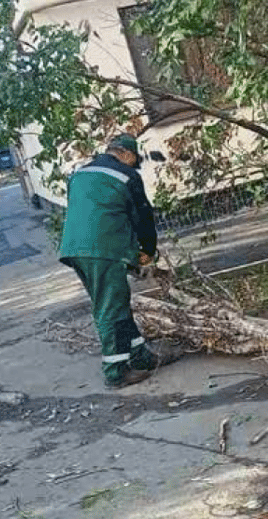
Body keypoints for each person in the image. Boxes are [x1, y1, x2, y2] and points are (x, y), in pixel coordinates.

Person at [58, 136, 178, 389]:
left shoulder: (79, 174)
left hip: (75, 248)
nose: (135, 165)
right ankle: (115, 371)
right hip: (103, 248)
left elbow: (97, 212)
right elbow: (142, 218)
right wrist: (146, 253)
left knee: (116, 302)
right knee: (110, 309)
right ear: (124, 153)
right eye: (134, 159)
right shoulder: (125, 175)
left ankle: (140, 356)